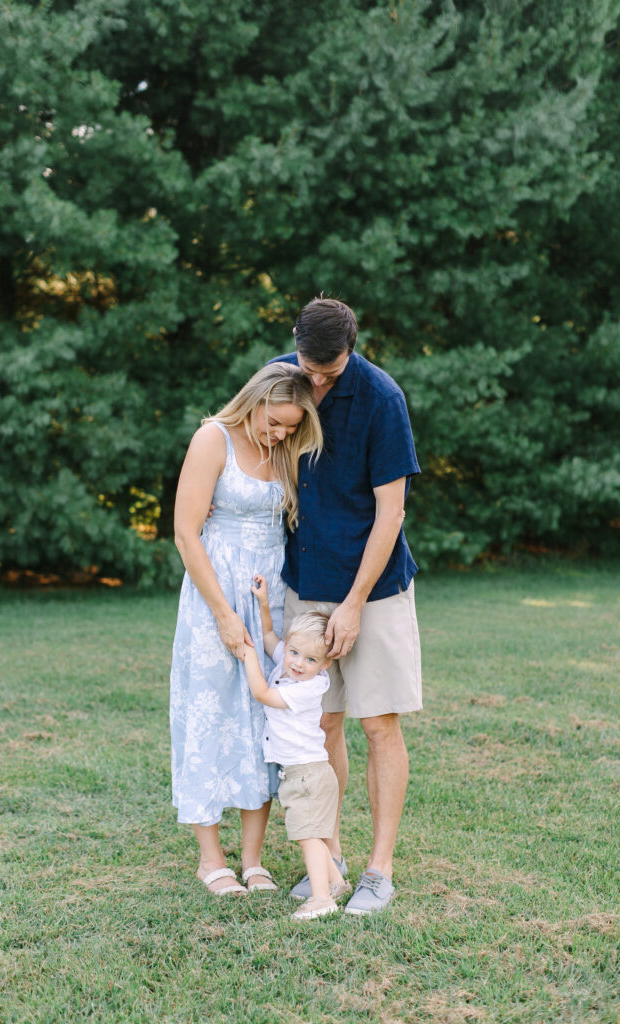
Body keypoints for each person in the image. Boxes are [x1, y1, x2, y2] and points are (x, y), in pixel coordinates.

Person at [272, 296, 422, 915]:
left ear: (350, 352)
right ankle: (327, 860)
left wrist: (355, 603)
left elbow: (392, 512)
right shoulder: (282, 377)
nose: (316, 381)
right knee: (319, 723)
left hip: (374, 587)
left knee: (378, 723)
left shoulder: (383, 399)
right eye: (310, 367)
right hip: (304, 579)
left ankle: (378, 870)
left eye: (328, 373)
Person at [170, 362, 322, 896]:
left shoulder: (283, 449)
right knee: (211, 713)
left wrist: (255, 614)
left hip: (265, 599)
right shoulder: (212, 439)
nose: (280, 433)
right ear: (255, 400)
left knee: (262, 721)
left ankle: (253, 860)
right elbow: (187, 534)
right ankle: (211, 859)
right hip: (215, 596)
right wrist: (224, 614)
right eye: (275, 421)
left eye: (290, 425)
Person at [243, 575, 352, 920]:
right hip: (302, 773)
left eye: (308, 659)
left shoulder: (306, 688)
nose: (296, 663)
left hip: (308, 775)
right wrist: (263, 604)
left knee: (308, 837)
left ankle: (321, 898)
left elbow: (263, 694)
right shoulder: (287, 664)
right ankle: (335, 883)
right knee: (314, 837)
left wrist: (247, 656)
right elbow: (269, 637)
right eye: (293, 653)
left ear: (324, 665)